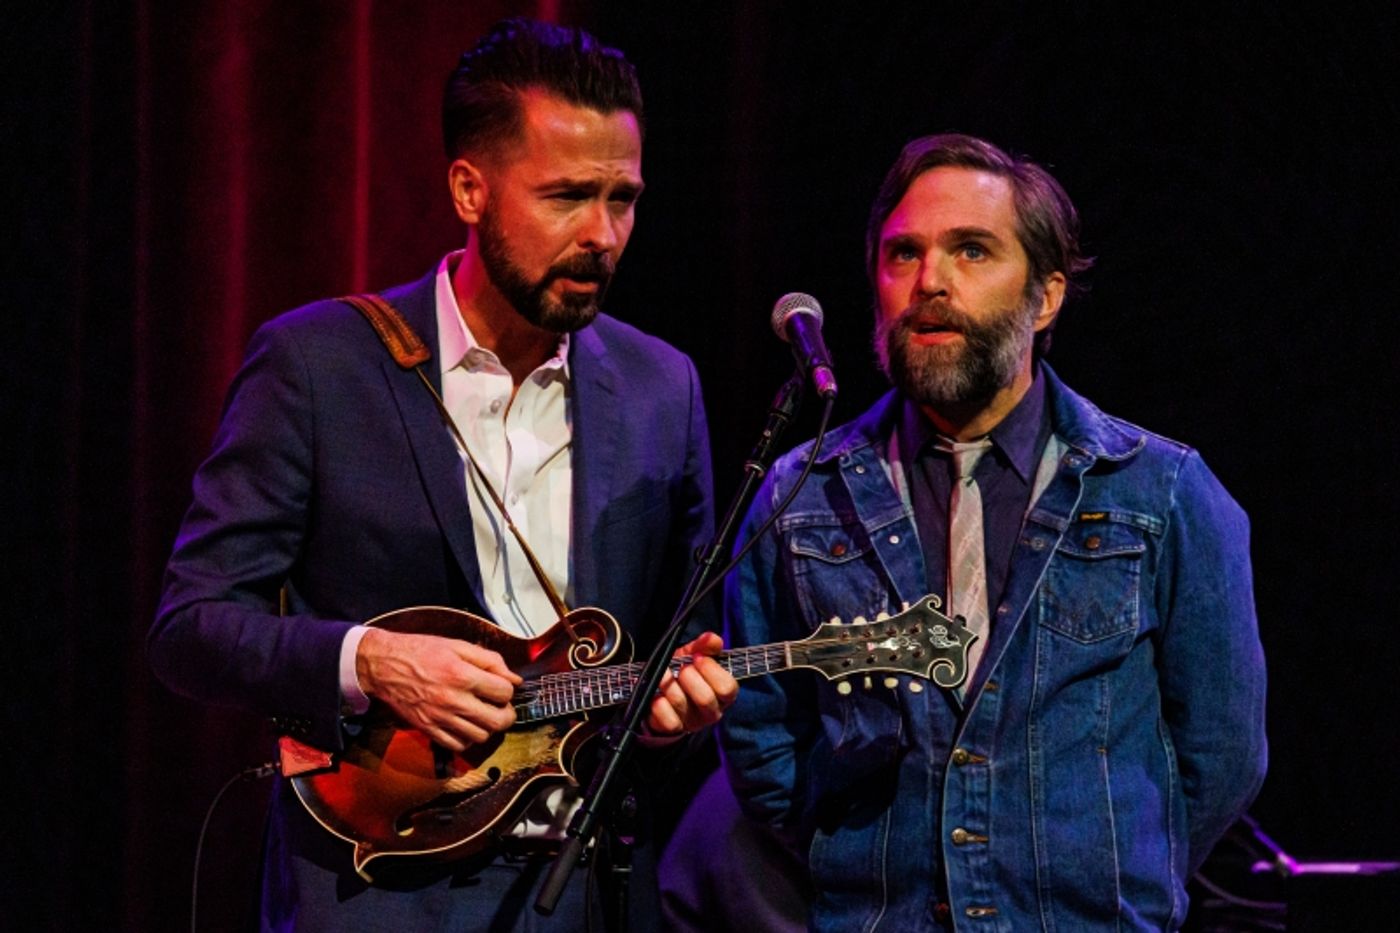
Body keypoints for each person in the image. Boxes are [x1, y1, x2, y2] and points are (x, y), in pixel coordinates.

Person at [149, 18, 736, 932]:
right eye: (567, 196)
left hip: (586, 892)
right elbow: (190, 627)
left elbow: (676, 647)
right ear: (470, 188)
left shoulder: (665, 386)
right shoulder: (317, 364)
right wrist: (367, 661)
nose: (603, 234)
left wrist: (676, 717)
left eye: (623, 198)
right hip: (368, 889)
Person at [720, 133, 1267, 931]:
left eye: (972, 251)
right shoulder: (801, 493)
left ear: (1044, 298)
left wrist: (1105, 874)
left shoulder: (1161, 491)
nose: (930, 282)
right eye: (902, 253)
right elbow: (764, 742)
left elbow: (1222, 756)